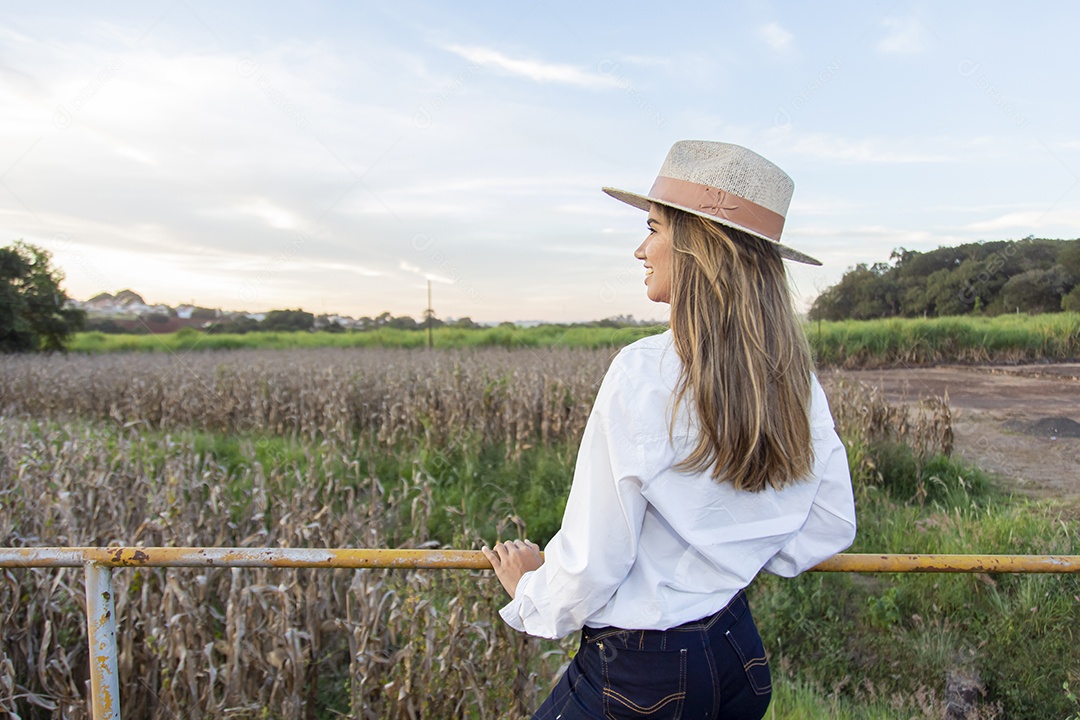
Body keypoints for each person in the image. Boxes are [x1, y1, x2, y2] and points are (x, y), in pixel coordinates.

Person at [482, 140, 857, 719]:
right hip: (739, 659)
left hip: (641, 678)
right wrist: (726, 561)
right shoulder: (792, 377)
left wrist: (533, 590)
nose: (640, 249)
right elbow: (830, 523)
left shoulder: (642, 372)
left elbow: (590, 564)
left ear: (701, 248)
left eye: (653, 228)